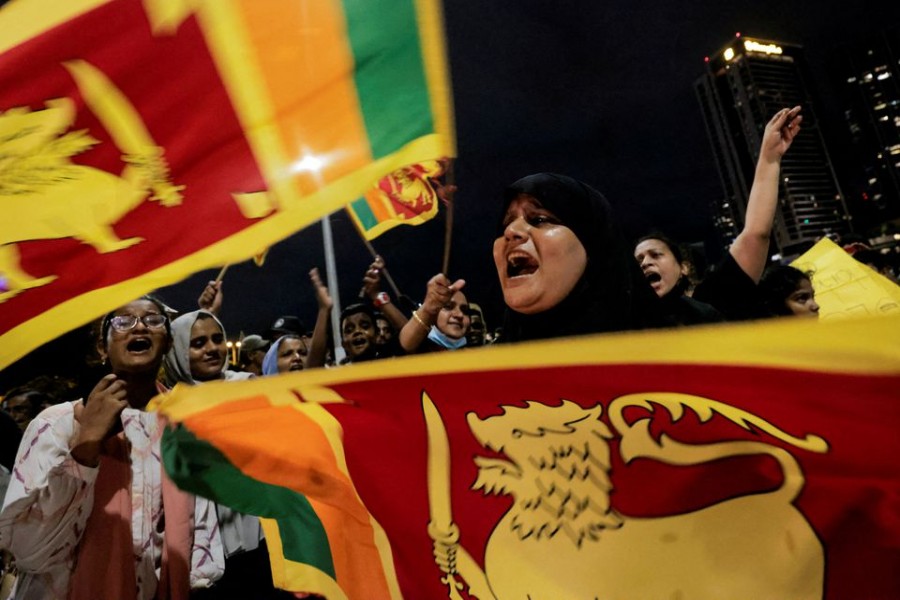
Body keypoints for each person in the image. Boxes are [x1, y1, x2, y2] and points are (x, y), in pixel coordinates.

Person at [0, 297, 223, 599]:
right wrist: (85, 447)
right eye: (123, 321)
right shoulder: (57, 425)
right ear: (102, 348)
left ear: (169, 342)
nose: (139, 327)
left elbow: (201, 540)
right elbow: (28, 550)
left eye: (153, 320)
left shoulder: (186, 429)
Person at [634, 106, 803, 324]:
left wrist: (769, 157)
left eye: (656, 255)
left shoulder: (711, 300)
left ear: (684, 268)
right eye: (638, 261)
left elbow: (755, 234)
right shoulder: (627, 321)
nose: (645, 263)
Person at [493, 172, 661, 341]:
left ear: (593, 248)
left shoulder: (662, 351)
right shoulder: (491, 357)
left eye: (539, 219)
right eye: (506, 224)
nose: (510, 230)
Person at [399, 274, 471, 352]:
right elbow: (402, 348)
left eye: (465, 311)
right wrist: (427, 310)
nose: (460, 315)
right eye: (448, 307)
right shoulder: (420, 353)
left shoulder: (476, 355)